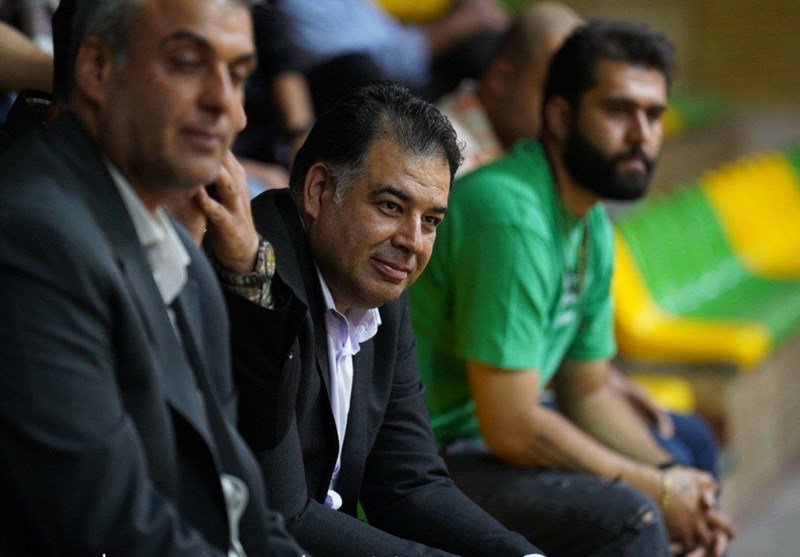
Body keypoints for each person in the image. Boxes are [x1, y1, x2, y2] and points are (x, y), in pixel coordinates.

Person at [409, 21, 736, 557]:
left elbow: (587, 391)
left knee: (689, 454)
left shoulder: (590, 222)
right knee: (632, 517)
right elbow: (512, 426)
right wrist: (653, 489)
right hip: (431, 461)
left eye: (654, 115)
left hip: (490, 443)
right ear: (560, 117)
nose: (642, 135)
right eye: (619, 111)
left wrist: (674, 481)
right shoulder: (509, 216)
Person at [0, 0, 306, 555]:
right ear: (97, 68)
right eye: (188, 63)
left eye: (238, 75)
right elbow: (114, 532)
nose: (228, 108)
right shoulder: (35, 238)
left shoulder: (178, 244)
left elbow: (240, 501)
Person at [219, 82, 545, 557]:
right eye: (391, 207)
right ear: (318, 190)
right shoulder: (255, 278)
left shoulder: (379, 285)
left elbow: (408, 482)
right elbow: (283, 516)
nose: (412, 241)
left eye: (430, 221)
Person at [437, 1, 581, 176]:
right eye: (551, 93)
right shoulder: (442, 161)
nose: (563, 114)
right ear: (500, 78)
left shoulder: (523, 157)